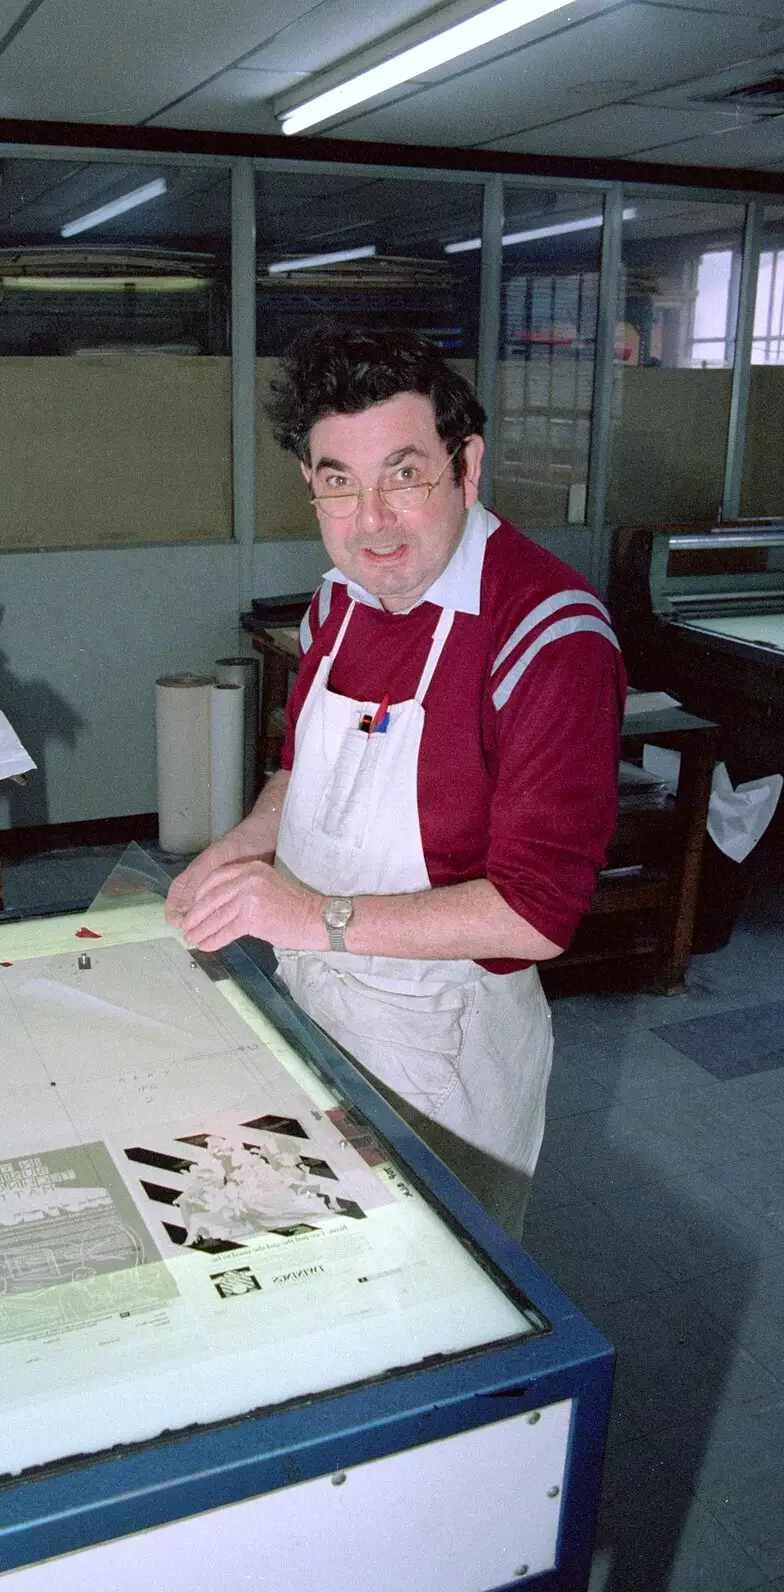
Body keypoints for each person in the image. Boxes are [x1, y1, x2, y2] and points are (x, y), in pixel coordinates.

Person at [166, 326, 625, 1237]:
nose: (371, 519)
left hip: (441, 1045)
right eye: (340, 481)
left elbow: (536, 917)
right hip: (317, 994)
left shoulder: (549, 640)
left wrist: (305, 916)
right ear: (312, 487)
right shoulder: (337, 602)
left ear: (467, 466)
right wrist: (235, 852)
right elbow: (303, 773)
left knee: (435, 1288)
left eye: (404, 475)